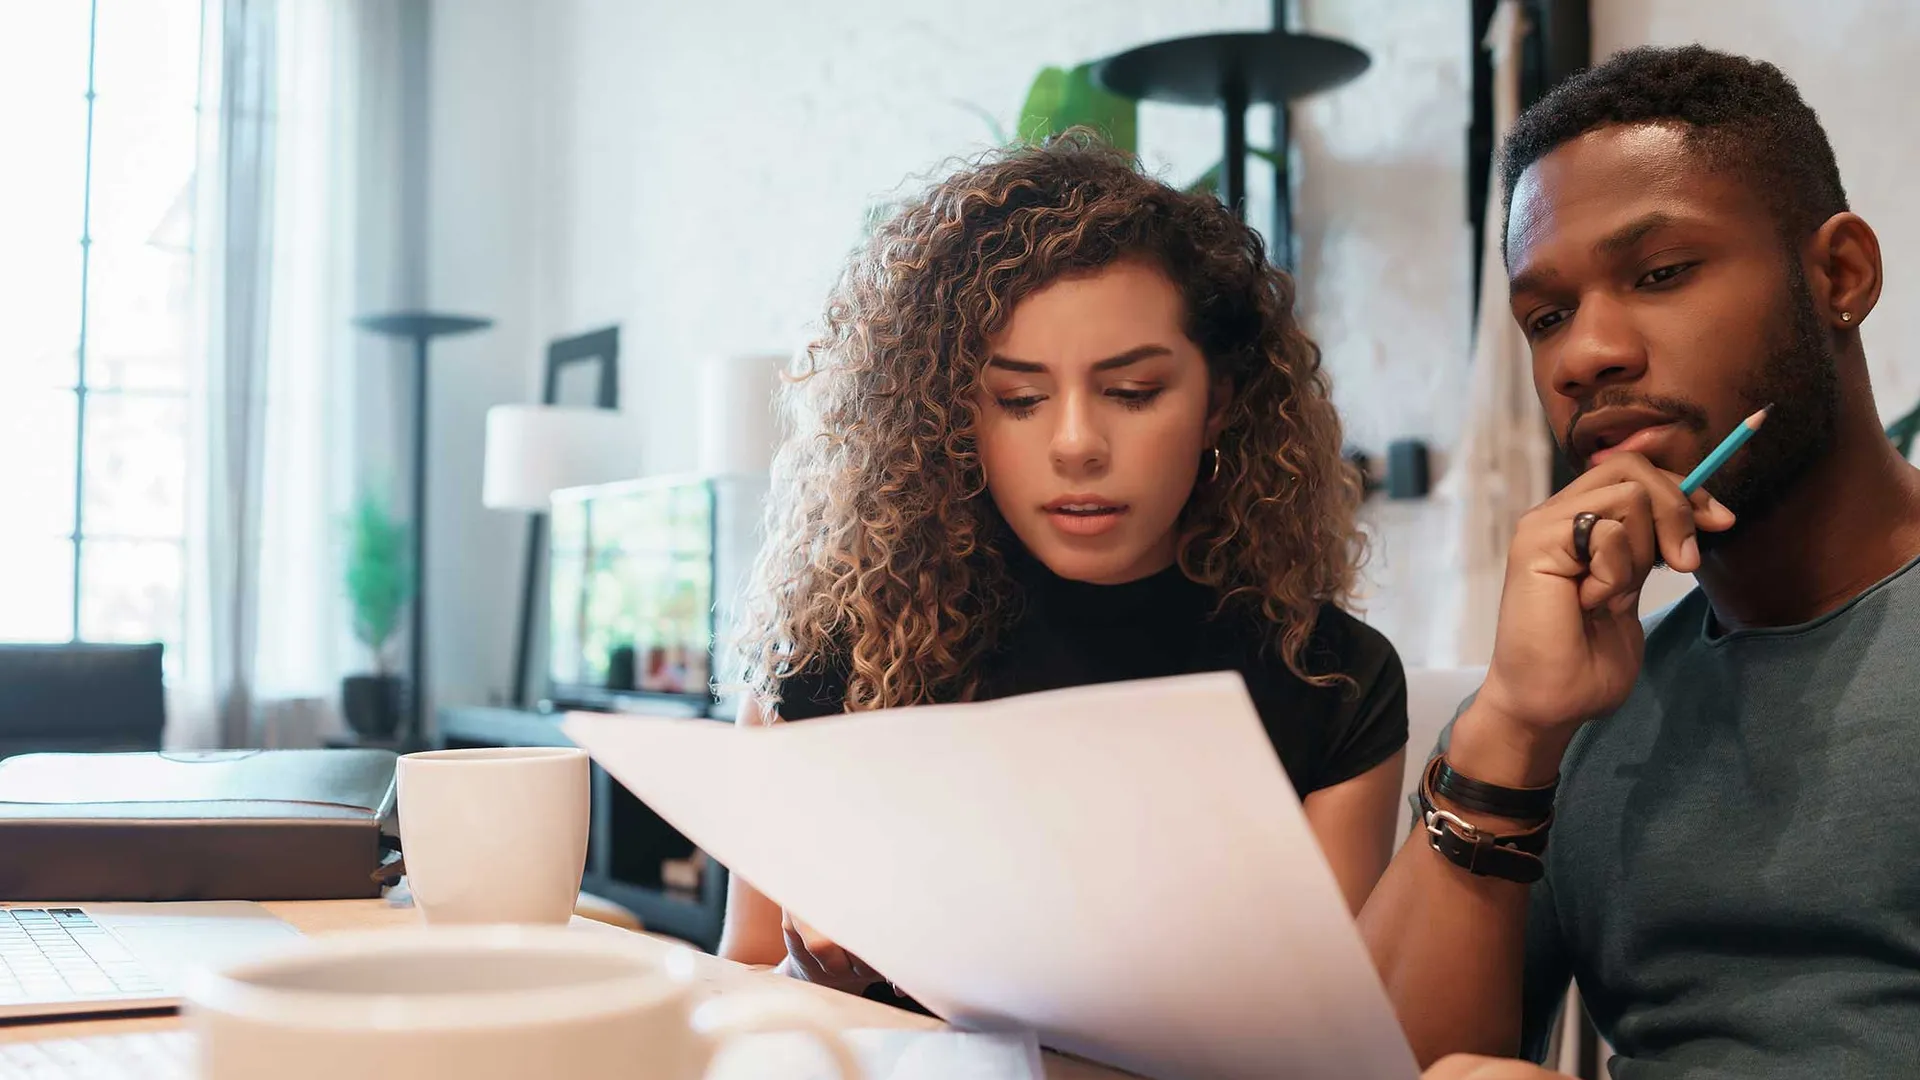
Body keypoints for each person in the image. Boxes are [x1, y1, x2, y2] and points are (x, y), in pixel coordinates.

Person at [716, 133, 1410, 996]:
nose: (1077, 444)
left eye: (1131, 392)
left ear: (1219, 403)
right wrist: (815, 967)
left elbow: (1330, 1026)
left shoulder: (1329, 679)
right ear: (952, 418)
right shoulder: (838, 655)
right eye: (1020, 400)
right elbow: (745, 980)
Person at [1360, 45, 1920, 1079]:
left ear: (1839, 275)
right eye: (1547, 316)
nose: (1583, 357)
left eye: (1660, 274)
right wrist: (1510, 730)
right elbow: (1377, 1066)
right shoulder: (1584, 702)